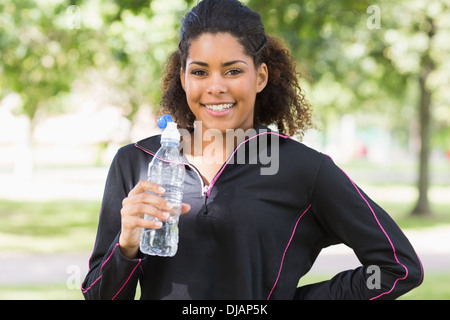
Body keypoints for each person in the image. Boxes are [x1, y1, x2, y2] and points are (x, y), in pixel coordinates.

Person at [82, 0, 423, 300]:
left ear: (260, 77)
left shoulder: (303, 169)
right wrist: (126, 246)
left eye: (233, 71)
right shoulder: (136, 163)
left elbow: (398, 267)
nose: (216, 86)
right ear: (184, 78)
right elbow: (100, 296)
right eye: (200, 72)